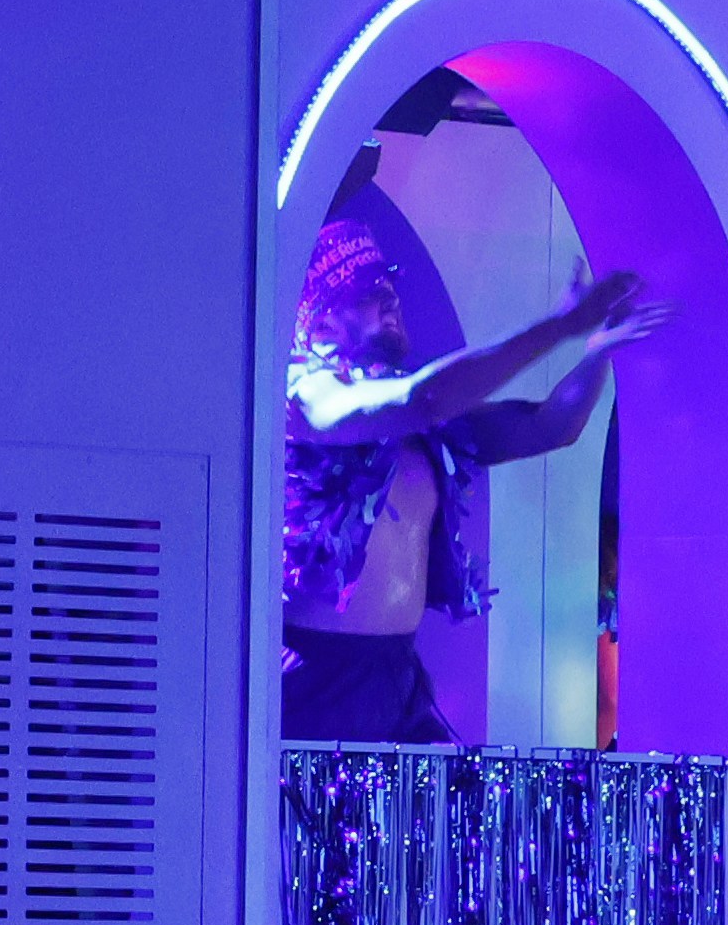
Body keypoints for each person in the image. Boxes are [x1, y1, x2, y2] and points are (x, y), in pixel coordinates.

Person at [277, 222, 662, 748]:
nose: (391, 300)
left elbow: (553, 425)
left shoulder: (424, 429)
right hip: (316, 682)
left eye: (391, 290)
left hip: (397, 679)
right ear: (321, 317)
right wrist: (559, 326)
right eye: (368, 294)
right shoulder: (306, 394)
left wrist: (598, 350)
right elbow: (424, 398)